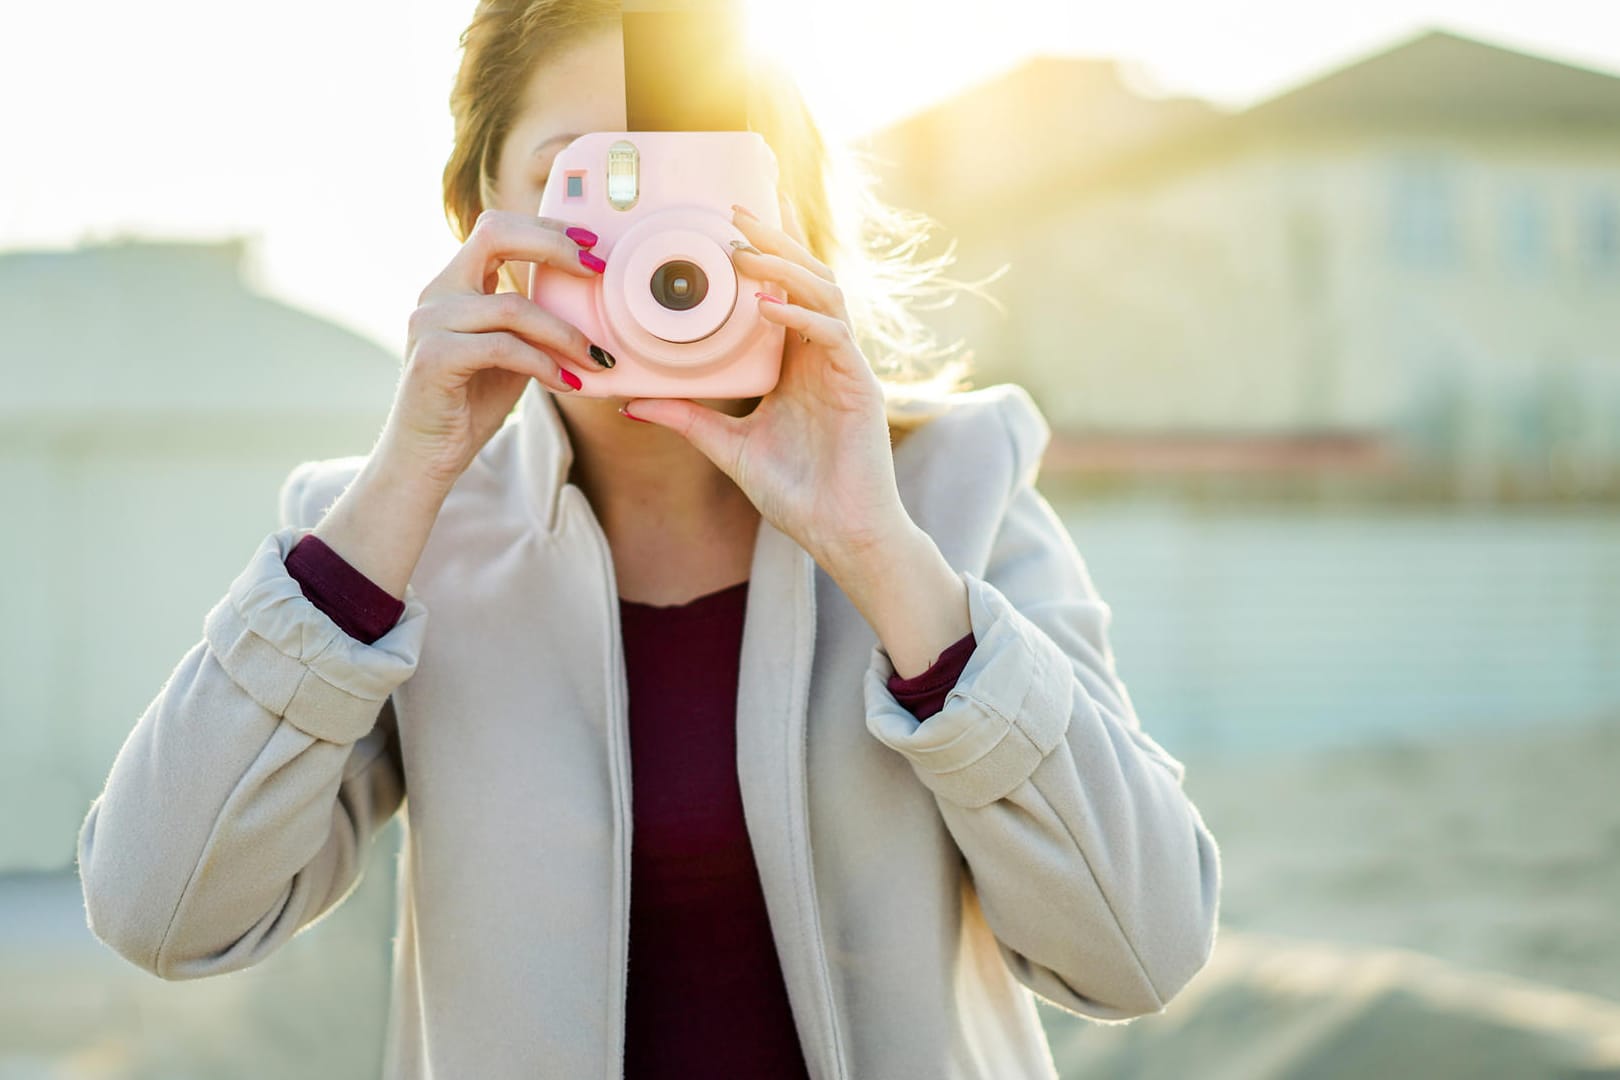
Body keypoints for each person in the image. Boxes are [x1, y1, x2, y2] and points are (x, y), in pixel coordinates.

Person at [75, 3, 1221, 1077]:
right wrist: (401, 487)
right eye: (589, 179)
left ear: (789, 218)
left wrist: (880, 554)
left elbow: (1139, 950)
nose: (648, 247)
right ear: (481, 216)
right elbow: (162, 912)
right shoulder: (389, 543)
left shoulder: (956, 490)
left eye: (704, 185)